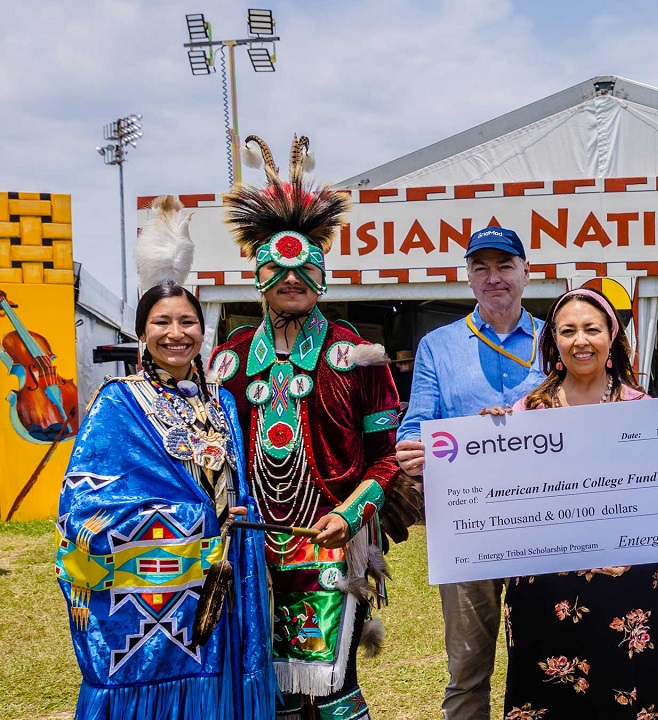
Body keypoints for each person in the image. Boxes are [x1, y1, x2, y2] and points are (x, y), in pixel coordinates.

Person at [55, 197, 274, 718]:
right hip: (155, 588)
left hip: (222, 578)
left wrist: (239, 509)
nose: (176, 333)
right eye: (161, 322)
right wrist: (194, 519)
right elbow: (82, 504)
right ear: (142, 332)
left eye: (187, 321)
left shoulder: (219, 399)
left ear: (203, 331)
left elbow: (229, 480)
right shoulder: (119, 400)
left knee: (221, 686)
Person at [212, 137, 404, 719]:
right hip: (251, 546)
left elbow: (386, 460)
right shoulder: (231, 358)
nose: (290, 277)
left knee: (334, 689)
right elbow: (210, 452)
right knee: (273, 693)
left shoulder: (355, 353)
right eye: (278, 266)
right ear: (258, 276)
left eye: (304, 268)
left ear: (321, 276)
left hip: (332, 540)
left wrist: (349, 516)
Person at [498, 287, 658, 719]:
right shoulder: (527, 411)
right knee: (551, 700)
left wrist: (631, 546)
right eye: (568, 331)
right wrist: (491, 438)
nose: (580, 340)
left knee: (629, 695)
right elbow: (511, 500)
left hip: (628, 586)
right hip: (546, 590)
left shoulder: (644, 409)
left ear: (611, 339)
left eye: (591, 329)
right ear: (555, 344)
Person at [393, 226, 545, 720]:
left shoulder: (558, 338)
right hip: (466, 524)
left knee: (550, 660)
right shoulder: (439, 345)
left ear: (527, 273)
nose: (493, 277)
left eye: (504, 266)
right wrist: (411, 451)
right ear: (469, 277)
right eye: (481, 267)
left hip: (546, 518)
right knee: (467, 666)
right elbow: (416, 424)